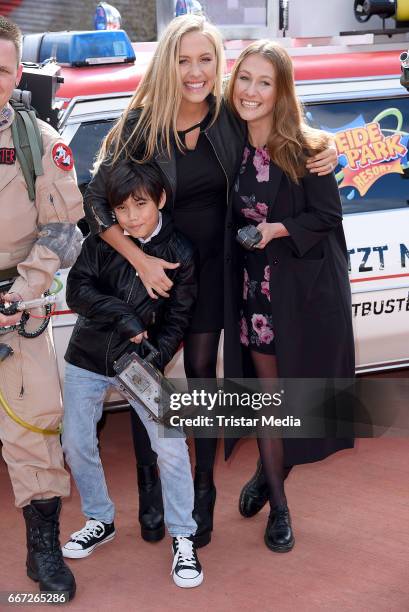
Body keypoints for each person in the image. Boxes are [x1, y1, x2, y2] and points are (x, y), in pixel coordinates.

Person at [84, 14, 338, 547]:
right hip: (153, 271)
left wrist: (328, 146)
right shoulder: (139, 124)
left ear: (217, 65)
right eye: (184, 60)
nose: (195, 72)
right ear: (168, 64)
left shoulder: (227, 115)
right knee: (144, 375)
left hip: (216, 271)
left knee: (200, 374)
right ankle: (150, 492)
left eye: (206, 60)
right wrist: (139, 260)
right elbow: (94, 202)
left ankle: (202, 493)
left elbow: (284, 127)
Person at [223, 40, 355, 552]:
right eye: (244, 79)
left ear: (281, 93)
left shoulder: (305, 149)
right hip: (251, 295)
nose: (251, 91)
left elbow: (327, 218)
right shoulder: (227, 139)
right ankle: (280, 506)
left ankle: (268, 468)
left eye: (264, 82)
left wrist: (277, 229)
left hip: (298, 293)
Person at [61, 161, 204, 589]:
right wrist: (123, 315)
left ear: (160, 200)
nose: (131, 217)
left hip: (141, 365)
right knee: (76, 443)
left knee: (173, 450)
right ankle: (99, 519)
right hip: (86, 357)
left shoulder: (180, 251)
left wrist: (152, 357)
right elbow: (77, 291)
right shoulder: (102, 240)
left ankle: (184, 537)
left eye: (140, 205)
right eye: (121, 208)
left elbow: (179, 318)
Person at [0, 16, 83, 600]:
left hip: (17, 312)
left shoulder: (40, 143)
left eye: (1, 69)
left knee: (34, 434)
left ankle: (44, 548)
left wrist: (22, 293)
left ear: (16, 72)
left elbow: (63, 233)